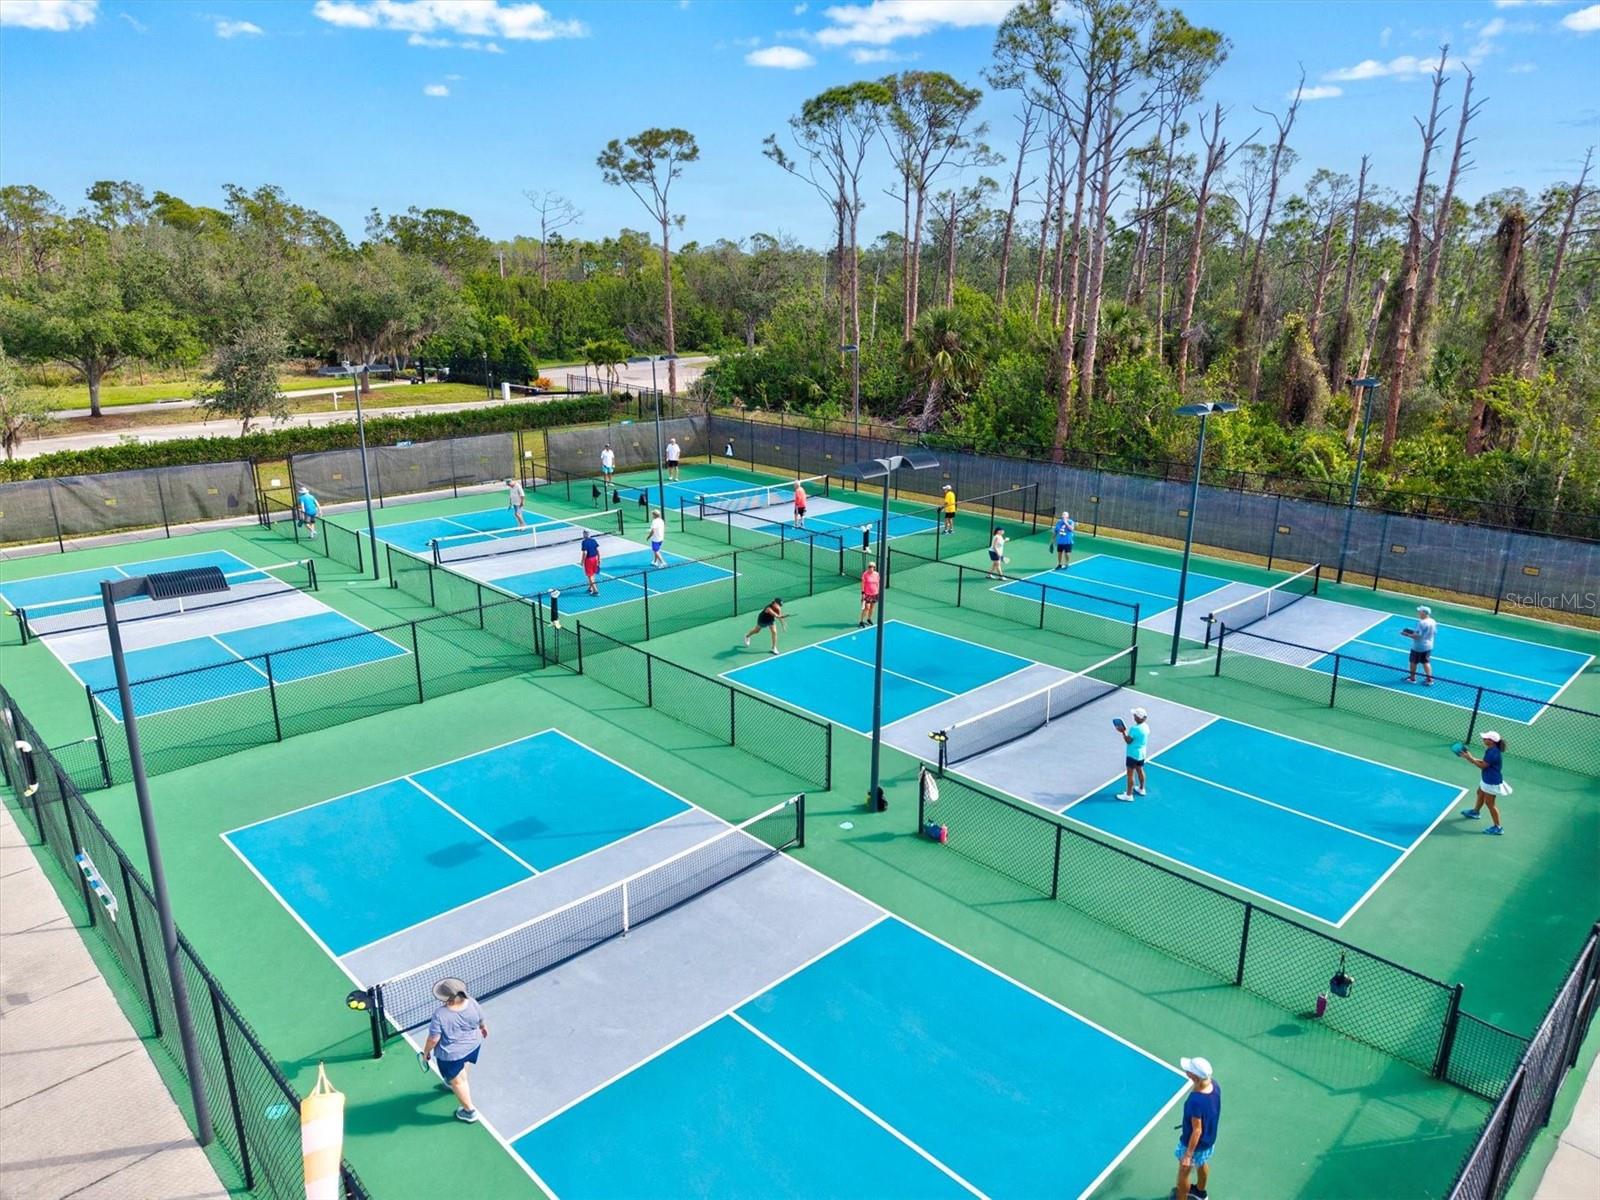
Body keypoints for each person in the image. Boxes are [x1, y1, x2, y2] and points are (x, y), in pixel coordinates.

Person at [421, 978, 488, 1125]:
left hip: (452, 1055)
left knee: (459, 1081)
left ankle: (469, 1112)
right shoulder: (471, 1002)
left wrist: (426, 1052)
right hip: (473, 1045)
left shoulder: (440, 1014)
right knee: (463, 1064)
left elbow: (433, 1039)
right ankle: (453, 1082)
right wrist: (483, 1028)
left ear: (447, 999)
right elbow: (481, 1018)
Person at [1173, 1055, 1221, 1200]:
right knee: (1201, 1162)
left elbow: (1197, 1130)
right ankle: (1200, 1193)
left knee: (1183, 1175)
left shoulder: (1195, 1101)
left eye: (1189, 1071)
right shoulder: (1215, 1086)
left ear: (1195, 1077)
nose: (1186, 1072)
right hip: (1209, 1140)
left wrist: (1188, 1155)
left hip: (1193, 1144)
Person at [1459, 731, 1512, 835]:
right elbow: (1485, 763)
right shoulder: (1491, 749)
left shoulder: (1493, 753)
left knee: (1490, 804)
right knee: (1480, 792)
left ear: (1492, 741)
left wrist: (1470, 758)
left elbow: (1483, 766)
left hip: (1491, 781)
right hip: (1487, 778)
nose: (1483, 740)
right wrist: (1471, 758)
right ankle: (1475, 812)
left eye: (1486, 738)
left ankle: (1498, 827)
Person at [1116, 707, 1150, 801]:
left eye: (1135, 715)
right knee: (1140, 770)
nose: (1133, 716)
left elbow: (1128, 741)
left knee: (1130, 775)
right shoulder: (1146, 727)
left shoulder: (1134, 729)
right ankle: (1141, 789)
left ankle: (1129, 795)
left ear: (1138, 718)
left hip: (1132, 755)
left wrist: (1123, 732)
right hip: (1142, 754)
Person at [1401, 604, 1438, 686]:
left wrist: (1406, 634)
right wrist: (1413, 632)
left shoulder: (1421, 623)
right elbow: (1434, 632)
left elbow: (1417, 636)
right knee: (1426, 662)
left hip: (1418, 647)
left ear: (1424, 613)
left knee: (1413, 662)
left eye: (1420, 612)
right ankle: (1429, 679)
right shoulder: (1433, 621)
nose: (1418, 613)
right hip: (1429, 645)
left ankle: (1412, 678)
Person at [579, 529, 602, 596]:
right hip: (595, 558)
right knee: (592, 574)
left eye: (583, 533)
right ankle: (590, 588)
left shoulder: (584, 542)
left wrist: (582, 562)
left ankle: (596, 591)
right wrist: (599, 559)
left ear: (585, 534)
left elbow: (585, 553)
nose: (583, 534)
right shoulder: (593, 540)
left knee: (590, 575)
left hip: (589, 560)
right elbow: (597, 550)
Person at [859, 561, 881, 627]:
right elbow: (862, 584)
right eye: (869, 566)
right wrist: (863, 593)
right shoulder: (865, 574)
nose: (870, 568)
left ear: (874, 567)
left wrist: (878, 592)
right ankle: (861, 621)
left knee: (872, 607)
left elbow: (878, 583)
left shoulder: (877, 574)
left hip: (875, 593)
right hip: (867, 594)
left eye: (871, 566)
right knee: (867, 608)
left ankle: (869, 619)